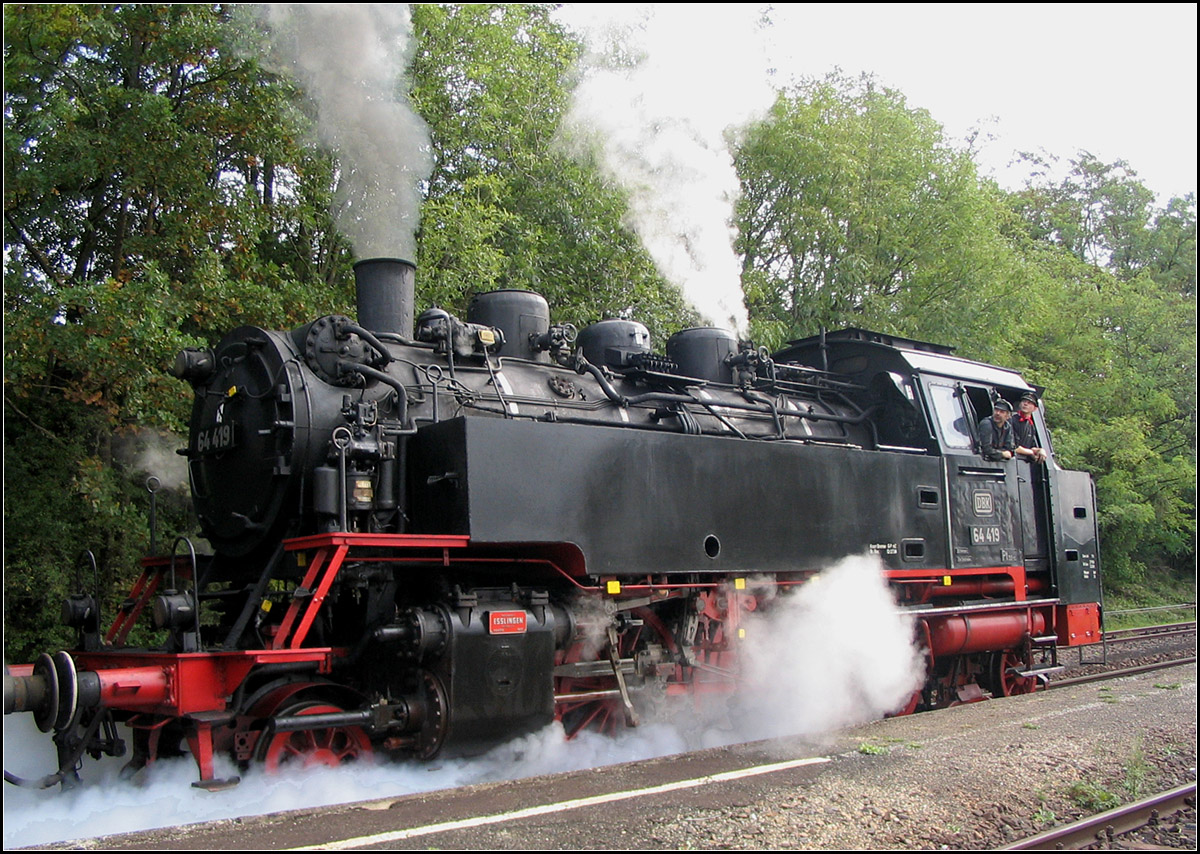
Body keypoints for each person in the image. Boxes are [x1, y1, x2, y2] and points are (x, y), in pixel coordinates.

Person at [1012, 392, 1048, 463]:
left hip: (1023, 463)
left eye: (1029, 403)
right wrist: (1031, 452)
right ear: (1020, 404)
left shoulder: (1031, 425)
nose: (1025, 404)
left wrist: (1040, 450)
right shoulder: (1011, 420)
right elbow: (1013, 447)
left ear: (1035, 408)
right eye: (1024, 401)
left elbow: (1032, 445)